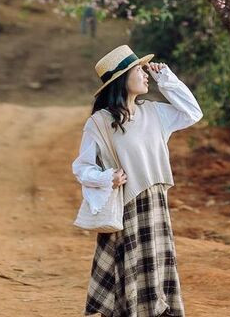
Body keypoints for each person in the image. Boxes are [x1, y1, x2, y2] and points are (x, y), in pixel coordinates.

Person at [72, 44, 203, 317]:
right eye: (139, 70)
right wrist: (108, 177)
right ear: (121, 79)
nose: (145, 74)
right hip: (126, 207)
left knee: (157, 268)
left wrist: (165, 78)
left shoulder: (155, 113)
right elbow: (82, 167)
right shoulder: (99, 122)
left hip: (156, 205)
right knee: (128, 274)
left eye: (146, 69)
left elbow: (193, 112)